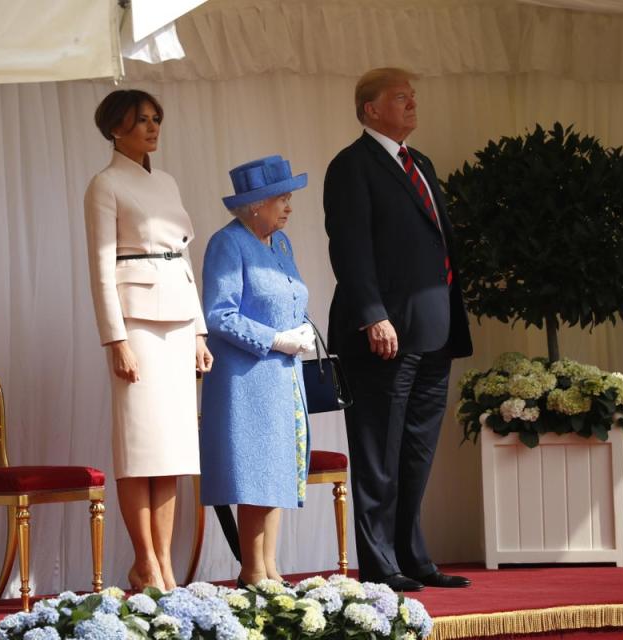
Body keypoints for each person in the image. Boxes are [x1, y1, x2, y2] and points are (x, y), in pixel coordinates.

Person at [323, 68, 474, 591]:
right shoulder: (351, 167)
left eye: (413, 97)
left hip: (434, 330)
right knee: (378, 451)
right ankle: (380, 563)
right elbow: (350, 248)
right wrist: (373, 313)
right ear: (371, 109)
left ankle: (413, 556)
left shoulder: (421, 163)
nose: (413, 105)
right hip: (381, 334)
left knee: (415, 453)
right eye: (401, 98)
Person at [84, 89, 213, 591]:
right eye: (142, 120)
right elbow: (99, 267)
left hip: (179, 321)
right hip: (135, 322)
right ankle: (147, 562)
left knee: (174, 450)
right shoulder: (104, 184)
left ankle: (161, 564)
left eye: (157, 119)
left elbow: (181, 259)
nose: (153, 128)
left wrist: (199, 330)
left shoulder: (169, 181)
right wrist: (114, 339)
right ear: (117, 128)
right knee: (139, 447)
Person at [199, 156, 315, 587]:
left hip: (284, 376)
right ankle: (253, 570)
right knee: (256, 472)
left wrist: (301, 329)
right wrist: (275, 339)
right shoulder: (227, 244)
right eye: (280, 199)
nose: (288, 206)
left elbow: (290, 298)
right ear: (253, 205)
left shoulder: (281, 245)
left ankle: (271, 569)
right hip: (246, 378)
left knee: (279, 469)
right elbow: (219, 314)